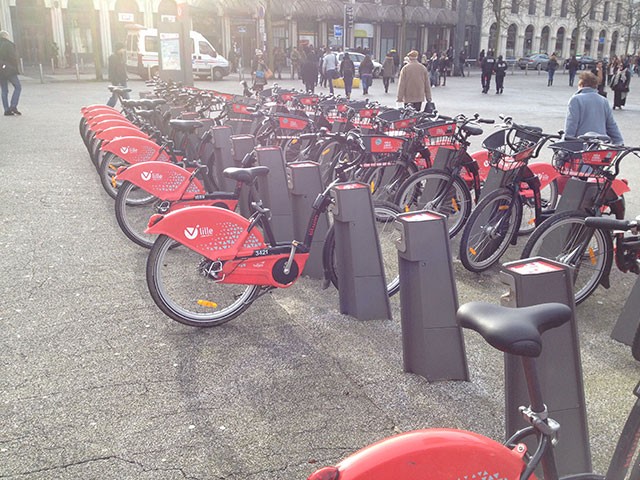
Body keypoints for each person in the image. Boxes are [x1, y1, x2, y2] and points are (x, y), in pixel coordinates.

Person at [564, 71, 623, 145]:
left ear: (581, 84)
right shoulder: (603, 100)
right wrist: (618, 141)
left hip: (581, 143)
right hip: (600, 144)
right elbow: (611, 124)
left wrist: (567, 140)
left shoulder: (576, 99)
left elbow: (572, 123)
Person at [0, 30, 22, 116]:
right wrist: (15, 68)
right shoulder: (9, 44)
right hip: (9, 69)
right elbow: (13, 57)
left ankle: (6, 110)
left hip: (0, 70)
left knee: (4, 90)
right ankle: (13, 105)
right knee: (18, 87)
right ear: (6, 36)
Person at [106, 42, 128, 108]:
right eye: (122, 49)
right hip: (118, 81)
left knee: (124, 97)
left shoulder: (120, 56)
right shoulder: (113, 57)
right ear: (119, 49)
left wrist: (125, 76)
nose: (123, 50)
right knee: (116, 98)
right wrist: (116, 81)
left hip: (122, 80)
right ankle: (108, 109)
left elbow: (123, 68)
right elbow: (112, 70)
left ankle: (129, 111)